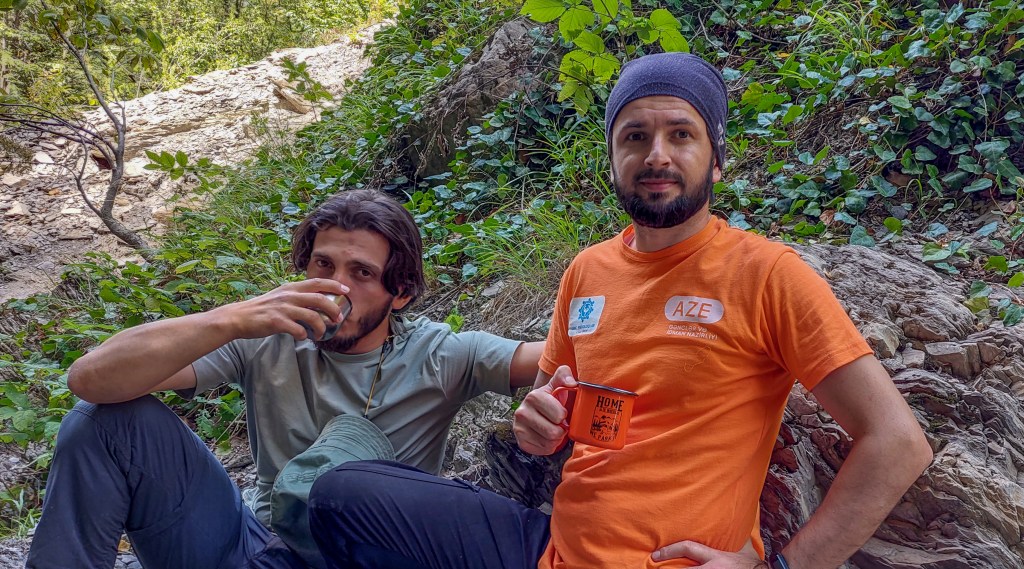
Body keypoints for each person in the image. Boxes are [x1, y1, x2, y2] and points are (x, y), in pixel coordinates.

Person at [305, 52, 933, 569]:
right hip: (552, 549)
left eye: (680, 134)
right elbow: (551, 407)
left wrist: (784, 568)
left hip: (666, 562)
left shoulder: (767, 274)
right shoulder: (588, 271)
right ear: (612, 159)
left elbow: (899, 443)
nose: (656, 154)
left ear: (716, 158)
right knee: (341, 493)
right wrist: (536, 426)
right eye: (635, 136)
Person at [25, 189, 543, 569]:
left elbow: (557, 357)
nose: (336, 286)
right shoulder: (267, 335)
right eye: (323, 264)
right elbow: (90, 379)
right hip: (253, 548)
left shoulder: (441, 354)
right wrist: (231, 318)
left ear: (400, 292)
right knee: (103, 421)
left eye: (361, 273)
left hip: (359, 556)